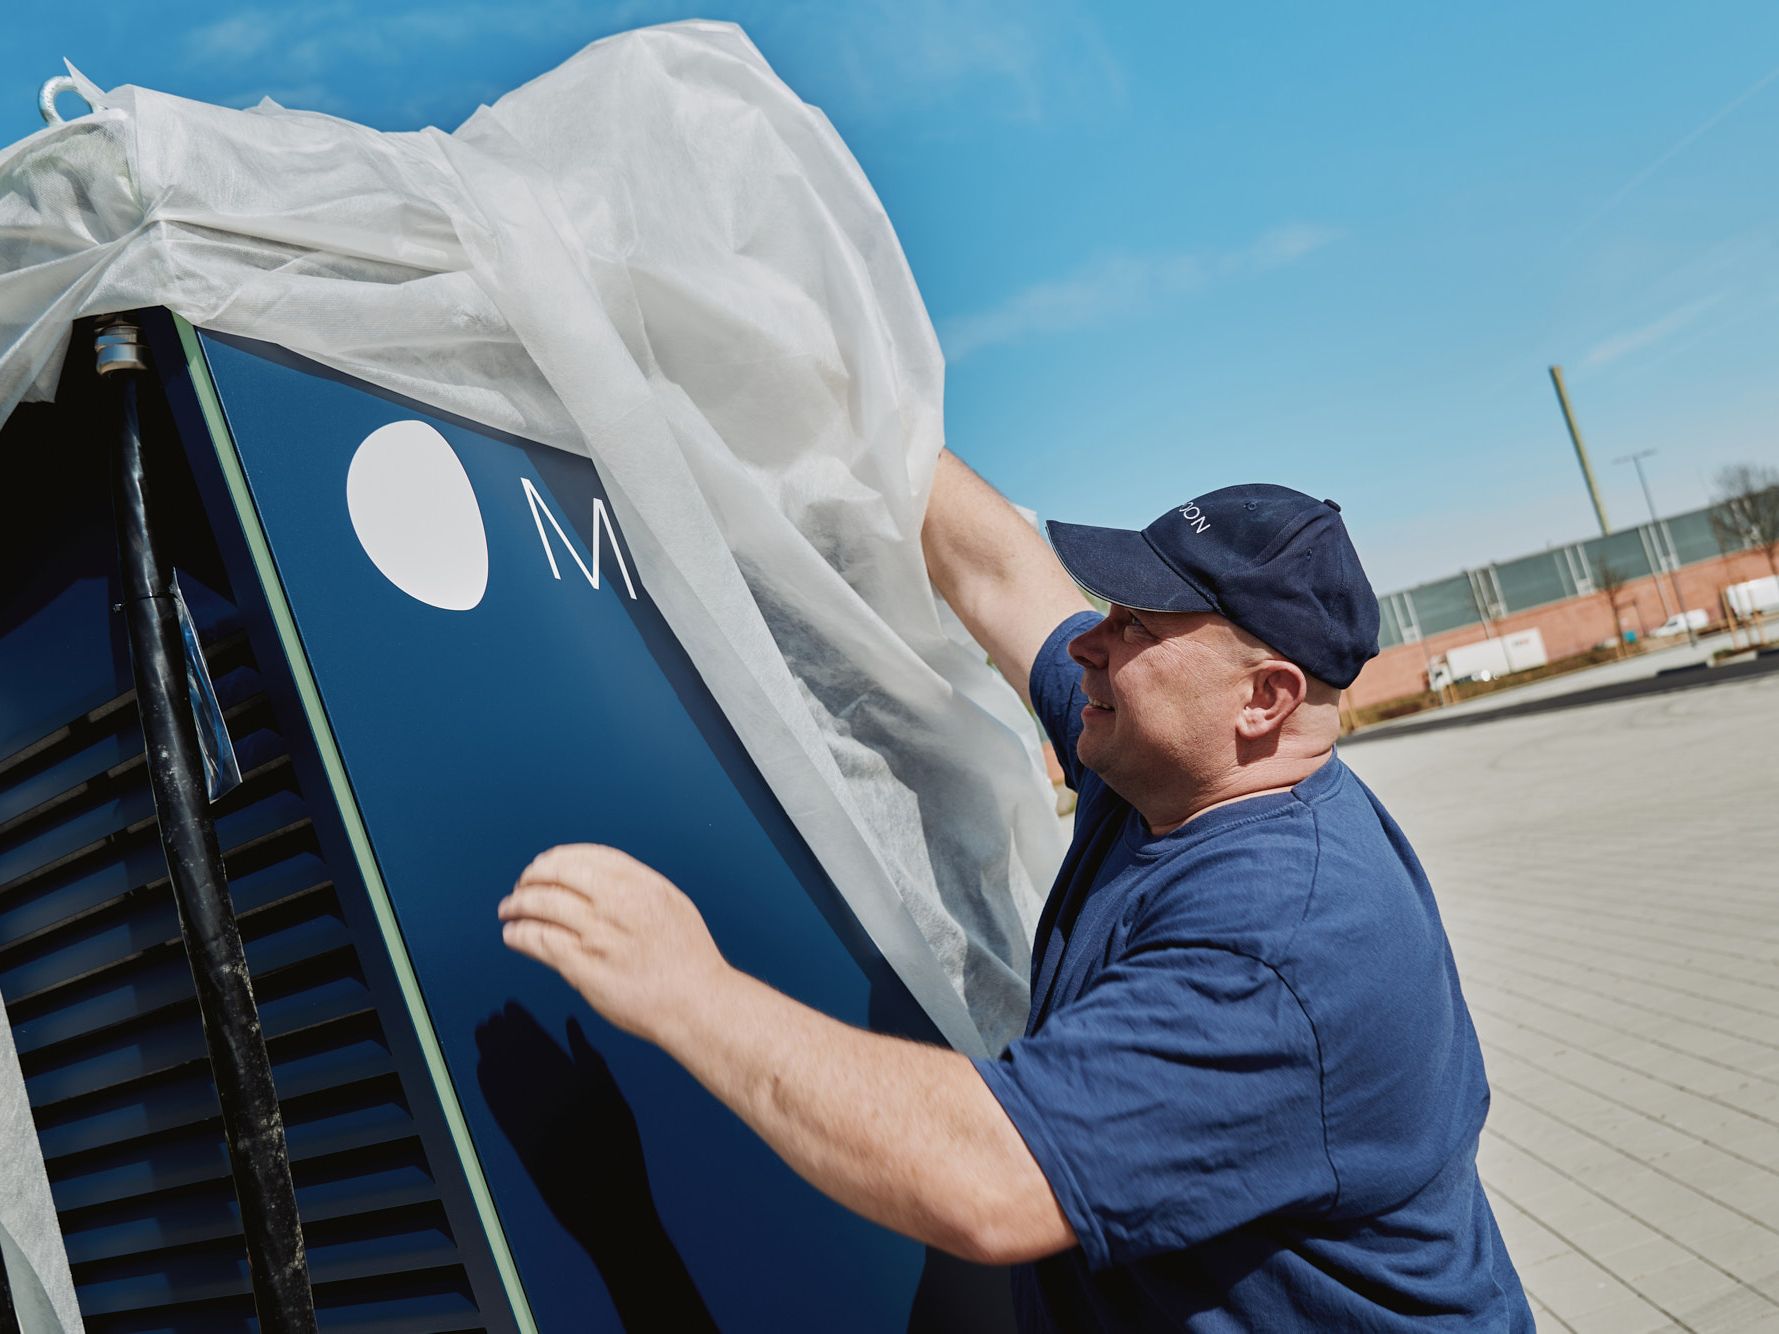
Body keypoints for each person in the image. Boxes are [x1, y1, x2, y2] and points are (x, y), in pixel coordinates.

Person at [497, 450, 1533, 1331]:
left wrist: (686, 987)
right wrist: (825, 369)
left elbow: (990, 1178)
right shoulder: (1159, 768)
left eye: (1137, 623)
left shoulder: (1286, 944)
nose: (1091, 638)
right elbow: (997, 570)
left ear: (1263, 699)